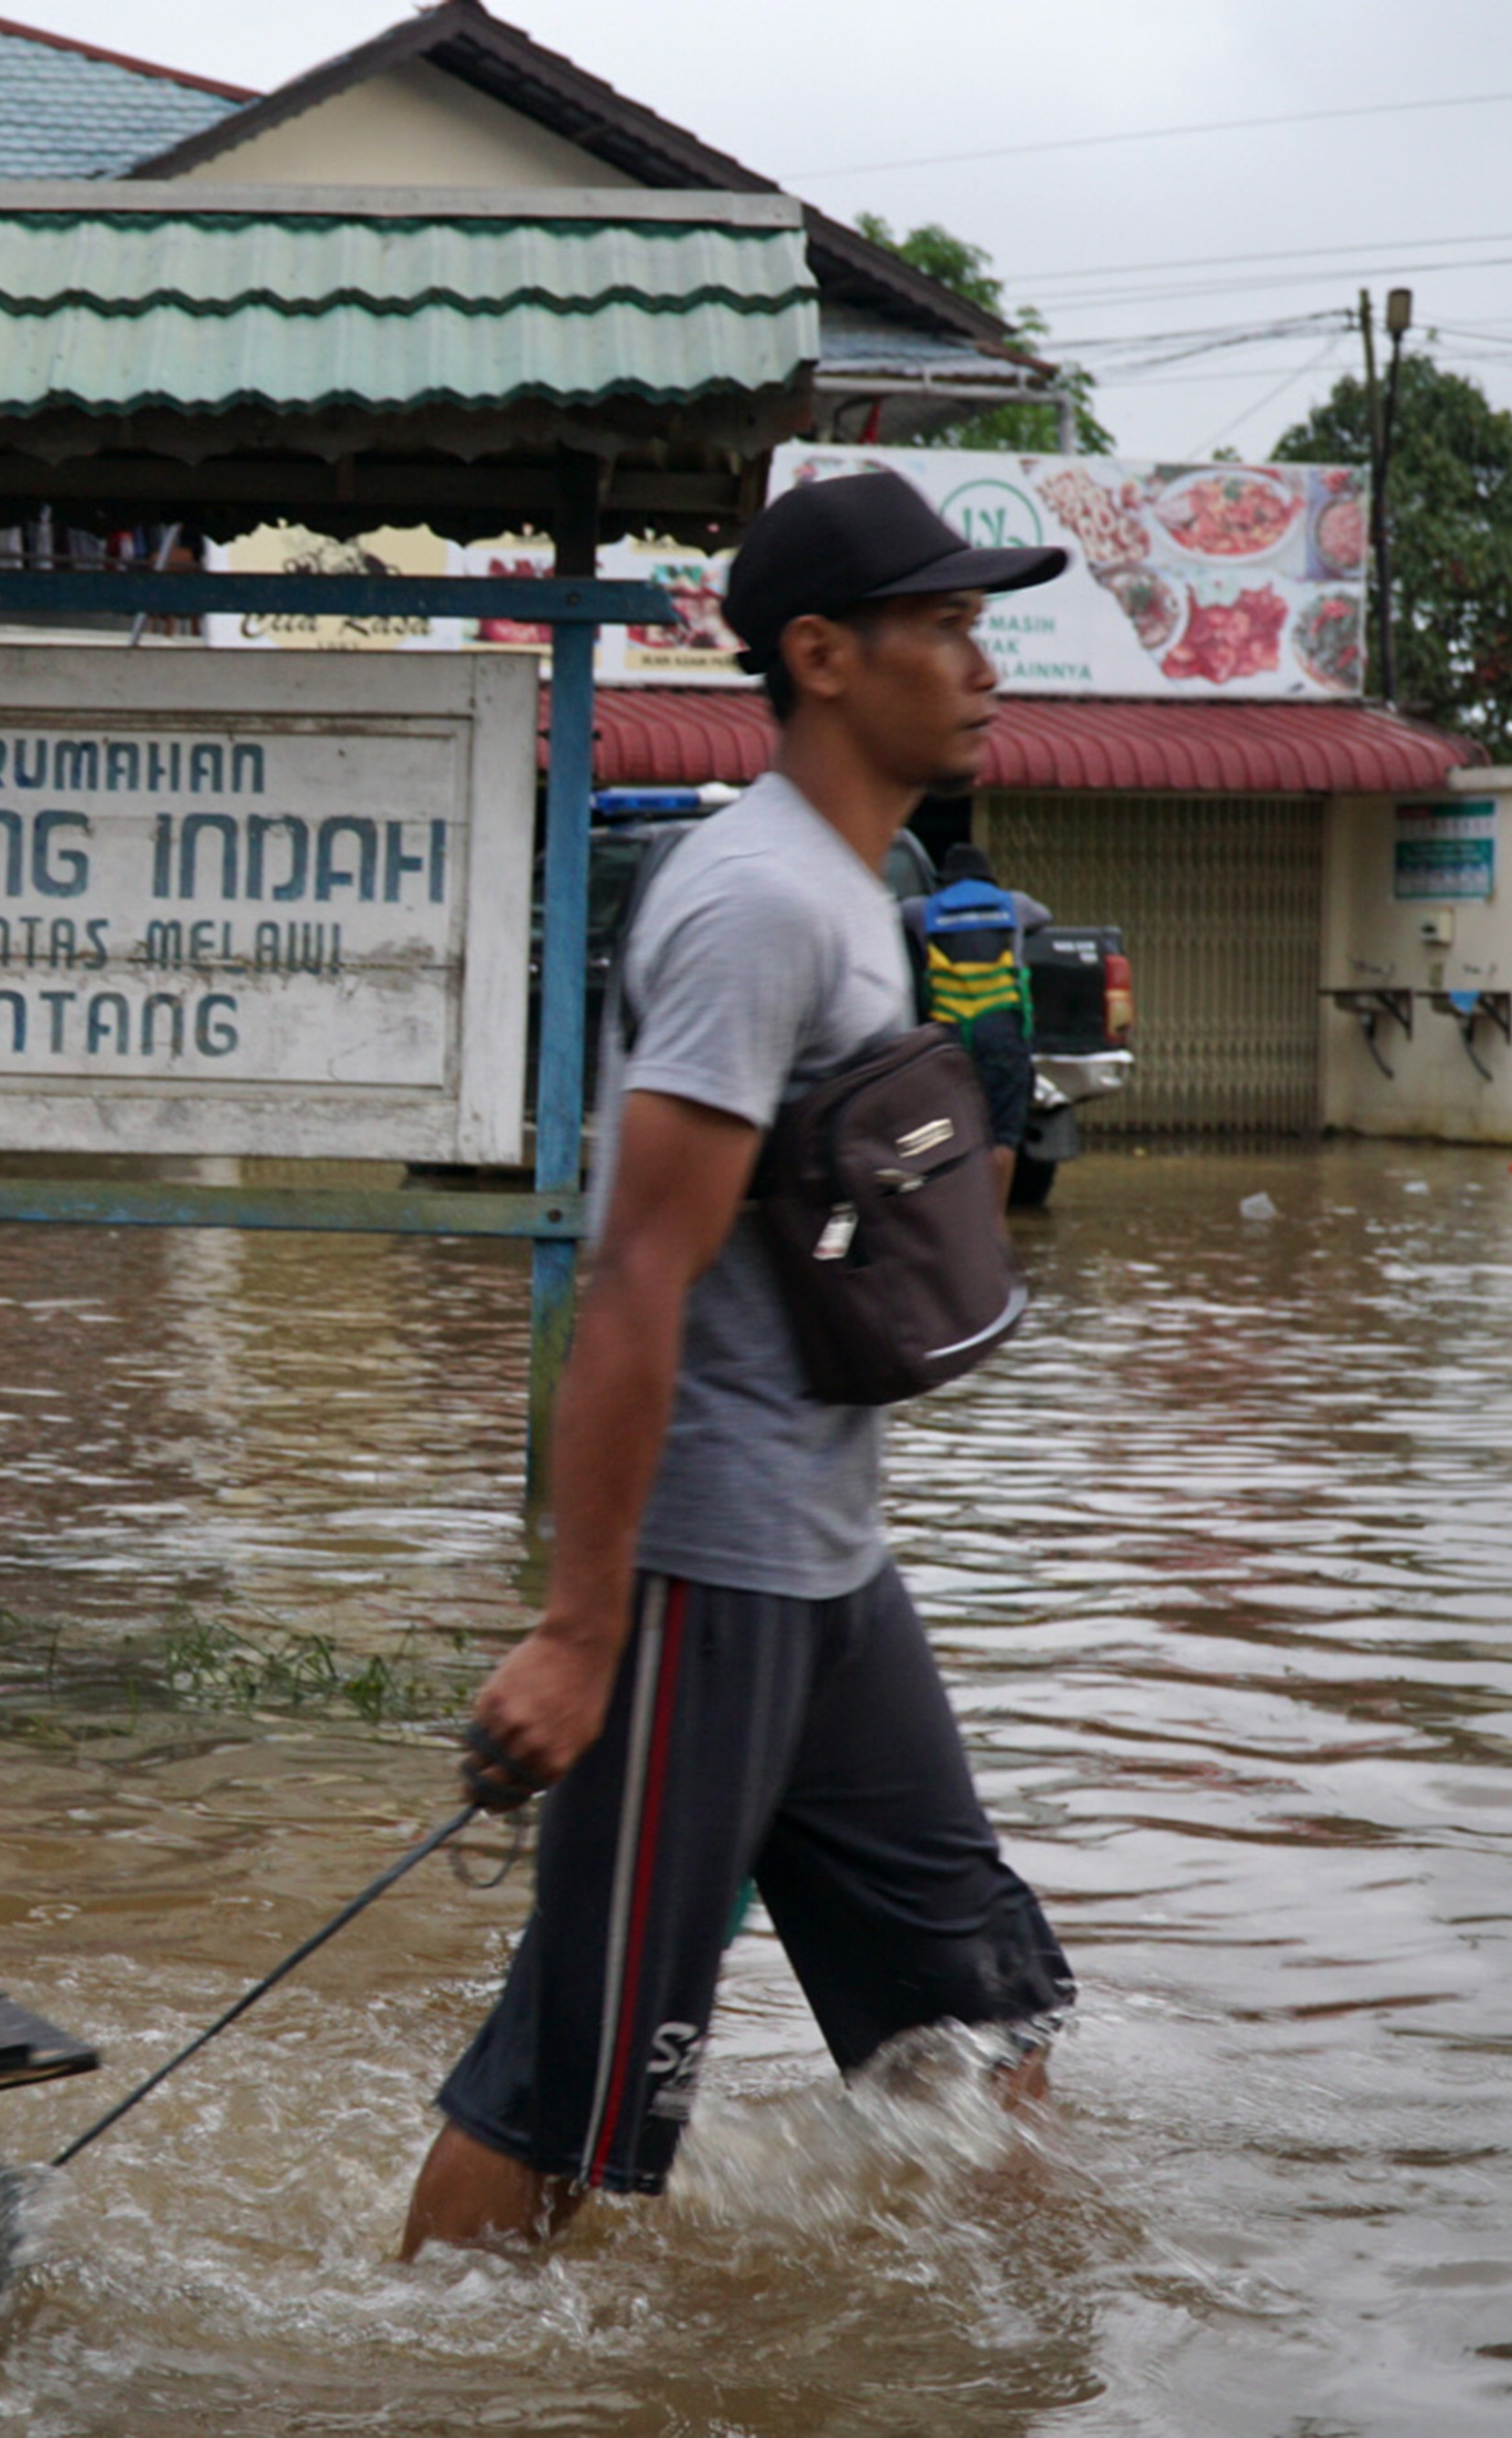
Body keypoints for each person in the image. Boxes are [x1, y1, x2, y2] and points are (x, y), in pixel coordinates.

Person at [402, 470, 1077, 2256]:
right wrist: (574, 1626)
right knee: (571, 2088)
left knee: (983, 2019)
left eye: (972, 621)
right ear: (818, 656)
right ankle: (409, 2371)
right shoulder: (758, 904)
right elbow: (634, 1269)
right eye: (938, 625)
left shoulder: (871, 894)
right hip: (699, 1571)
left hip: (829, 1565)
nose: (976, 661)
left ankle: (967, 2350)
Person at [906, 840, 1040, 1202]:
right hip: (1001, 1030)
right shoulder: (1014, 904)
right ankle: (993, 1231)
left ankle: (956, 1221)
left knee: (947, 1129)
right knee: (1003, 1134)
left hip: (948, 1035)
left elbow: (893, 913)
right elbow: (1045, 917)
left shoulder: (923, 910)